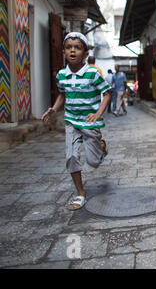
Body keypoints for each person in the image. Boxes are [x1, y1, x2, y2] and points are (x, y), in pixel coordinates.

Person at [41, 32, 111, 210]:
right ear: (63, 52)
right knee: (71, 156)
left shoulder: (93, 73)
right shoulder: (61, 75)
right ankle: (81, 193)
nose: (73, 51)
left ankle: (100, 146)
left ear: (85, 54)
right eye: (68, 48)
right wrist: (54, 109)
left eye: (77, 48)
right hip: (71, 121)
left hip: (89, 123)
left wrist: (97, 114)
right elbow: (62, 95)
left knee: (94, 162)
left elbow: (107, 94)